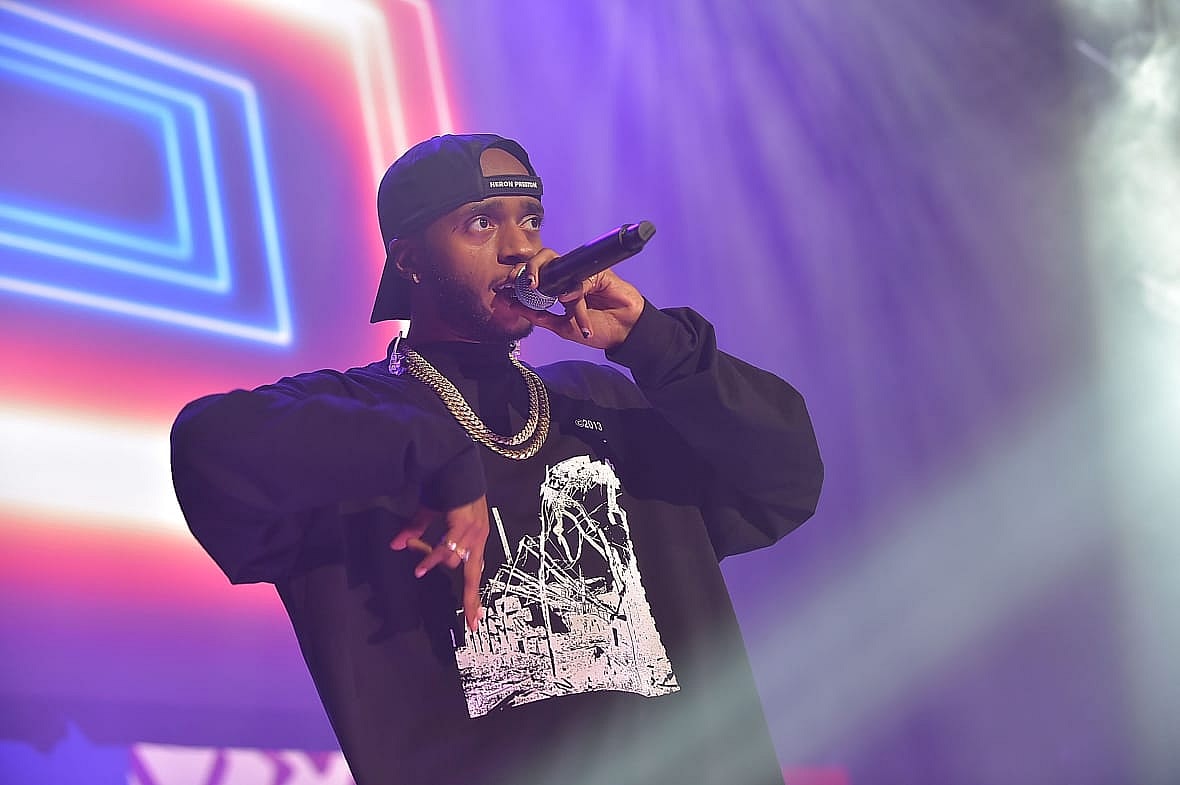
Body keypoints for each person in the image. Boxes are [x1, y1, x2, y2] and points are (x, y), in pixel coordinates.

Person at [170, 133, 824, 785]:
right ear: (409, 260)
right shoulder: (352, 417)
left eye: (530, 220)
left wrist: (653, 342)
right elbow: (207, 444)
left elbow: (785, 479)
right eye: (481, 223)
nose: (520, 247)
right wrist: (435, 454)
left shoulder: (602, 402)